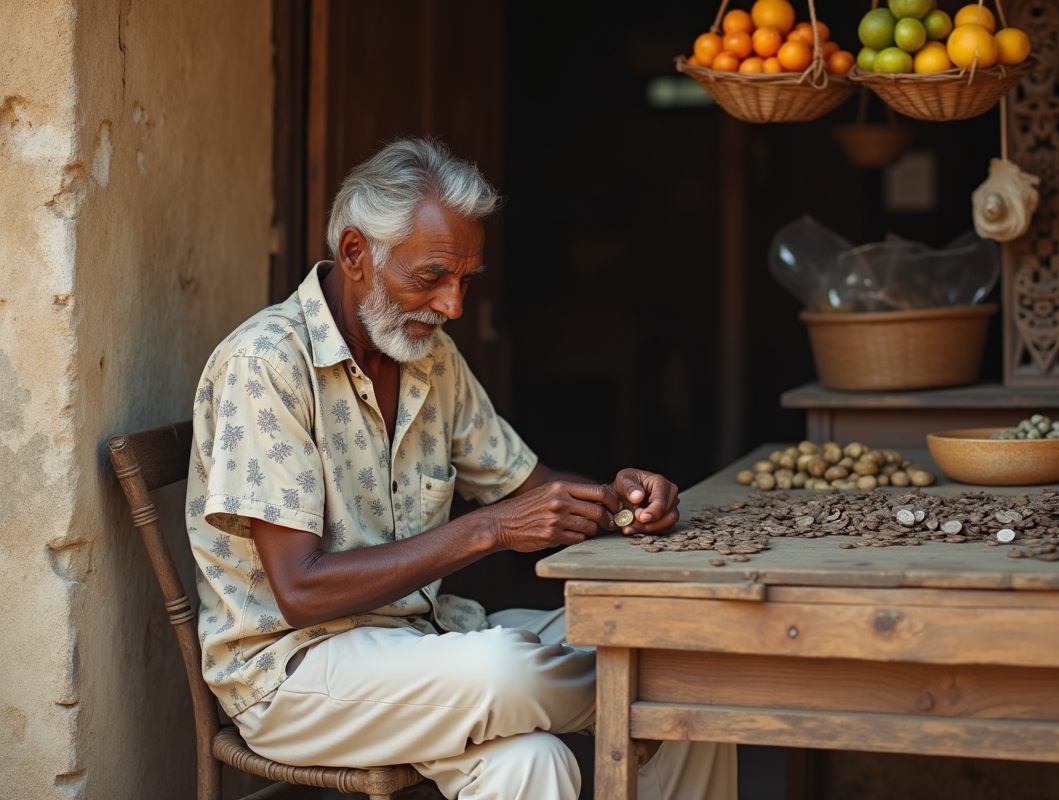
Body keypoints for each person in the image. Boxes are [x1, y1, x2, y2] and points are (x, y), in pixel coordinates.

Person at [185, 138, 736, 799]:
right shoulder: (266, 366)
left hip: (426, 643)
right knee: (593, 678)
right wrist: (489, 531)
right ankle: (667, 687)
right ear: (356, 254)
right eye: (431, 278)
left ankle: (671, 681)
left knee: (555, 748)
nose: (452, 307)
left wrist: (618, 498)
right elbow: (299, 590)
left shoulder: (429, 359)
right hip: (293, 672)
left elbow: (531, 489)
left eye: (464, 281)